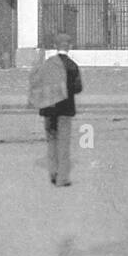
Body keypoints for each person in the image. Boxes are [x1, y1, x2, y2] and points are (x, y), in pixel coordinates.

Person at [39, 33, 82, 187]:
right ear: (69, 47)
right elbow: (78, 88)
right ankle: (62, 178)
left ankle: (53, 172)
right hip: (65, 109)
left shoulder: (47, 64)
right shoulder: (72, 65)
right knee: (63, 143)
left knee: (51, 141)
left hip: (49, 109)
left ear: (56, 46)